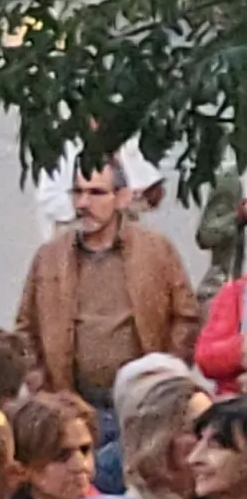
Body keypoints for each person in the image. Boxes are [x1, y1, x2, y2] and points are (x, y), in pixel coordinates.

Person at [17, 155, 195, 405]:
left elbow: (186, 317)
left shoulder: (156, 250)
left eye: (96, 193)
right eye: (77, 192)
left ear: (122, 197)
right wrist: (43, 388)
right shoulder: (50, 256)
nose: (83, 203)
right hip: (71, 405)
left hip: (142, 405)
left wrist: (165, 380)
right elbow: (25, 327)